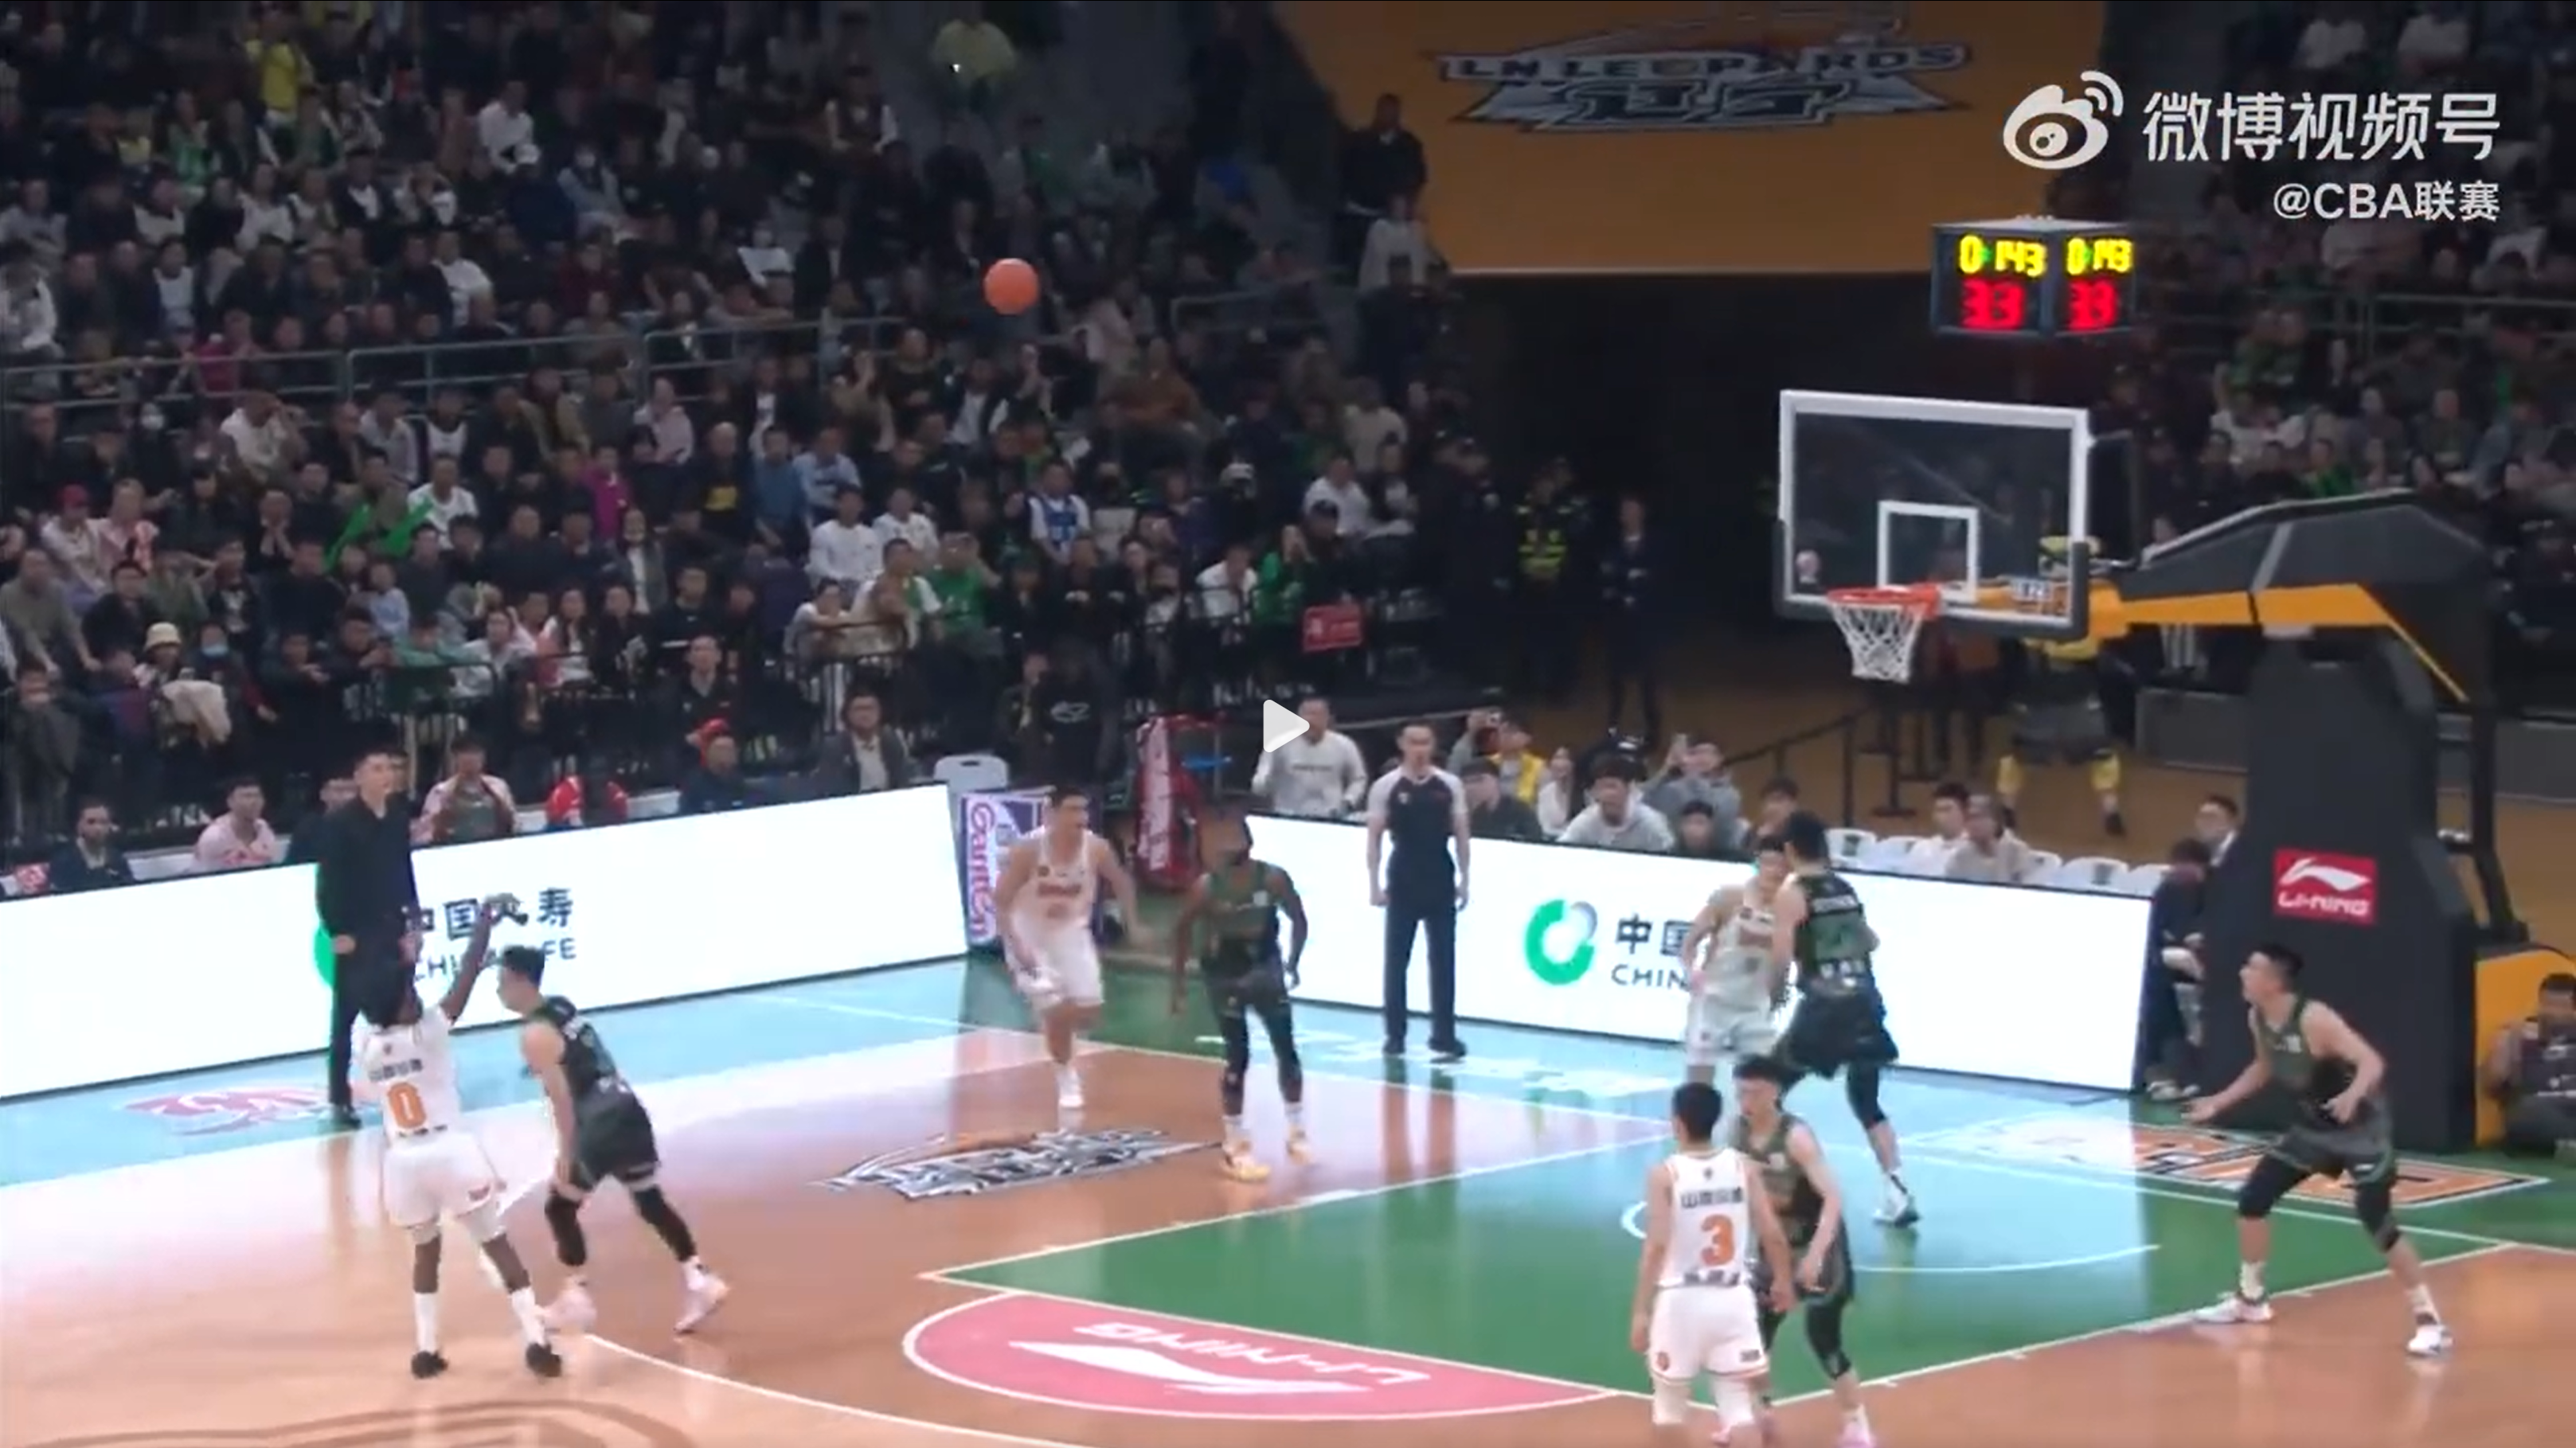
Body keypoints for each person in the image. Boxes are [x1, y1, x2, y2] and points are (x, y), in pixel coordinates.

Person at [2186, 944, 2451, 1356]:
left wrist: (2351, 1097)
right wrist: (2218, 1102)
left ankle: (2430, 1322)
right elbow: (2264, 1067)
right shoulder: (2258, 1017)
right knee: (2253, 1200)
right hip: (2312, 1130)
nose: (2241, 973)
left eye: (2250, 968)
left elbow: (2372, 1062)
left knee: (2377, 1221)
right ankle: (2251, 1300)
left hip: (2362, 1131)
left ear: (2273, 981)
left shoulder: (2315, 1018)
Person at [348, 895, 561, 1380]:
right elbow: (465, 976)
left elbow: (381, 994)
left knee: (426, 1253)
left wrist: (404, 959)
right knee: (496, 1243)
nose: (416, 994)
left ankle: (426, 1350)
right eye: (409, 992)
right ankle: (537, 1341)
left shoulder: (368, 1045)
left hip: (402, 1161)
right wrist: (484, 922)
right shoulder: (429, 1033)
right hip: (449, 1150)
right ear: (401, 1004)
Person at [497, 939, 730, 1336]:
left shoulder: (534, 1034)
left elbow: (562, 1099)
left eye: (502, 981)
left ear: (520, 980)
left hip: (599, 1122)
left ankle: (577, 1297)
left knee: (559, 1207)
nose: (499, 991)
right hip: (628, 1109)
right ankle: (699, 1279)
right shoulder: (562, 1007)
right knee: (649, 1199)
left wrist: (566, 1153)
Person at [1769, 810, 1917, 1227]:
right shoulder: (1844, 888)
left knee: (1767, 1091)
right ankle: (1897, 1190)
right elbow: (1870, 940)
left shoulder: (1794, 892)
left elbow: (1780, 956)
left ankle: (1795, 1188)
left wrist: (1775, 995)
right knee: (1866, 1101)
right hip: (1865, 1002)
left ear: (1790, 849)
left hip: (1826, 1006)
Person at [1630, 1081, 1796, 1447]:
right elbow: (1772, 1233)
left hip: (1681, 1301)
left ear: (1677, 1123)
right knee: (1738, 1408)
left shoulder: (1664, 1175)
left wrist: (1641, 1310)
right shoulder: (1743, 1167)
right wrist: (1783, 1280)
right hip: (1733, 1298)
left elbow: (1656, 1246)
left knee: (1669, 1409)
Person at [1730, 1055, 1873, 1448]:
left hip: (1819, 1241)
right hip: (1776, 1243)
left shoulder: (1796, 1136)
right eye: (1740, 1092)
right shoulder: (1737, 1133)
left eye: (1754, 1093)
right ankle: (1758, 1416)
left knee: (1823, 1337)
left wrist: (1815, 1256)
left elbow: (1833, 1197)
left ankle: (1856, 1423)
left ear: (1774, 1092)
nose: (1746, 1101)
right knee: (1753, 1336)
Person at [1167, 809, 1312, 1182]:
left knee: (1286, 1046)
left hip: (1265, 966)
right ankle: (1235, 1143)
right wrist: (1179, 985)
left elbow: (1299, 918)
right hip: (1225, 972)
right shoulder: (1206, 887)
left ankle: (1297, 1130)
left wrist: (1293, 961)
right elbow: (1182, 931)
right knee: (1238, 1055)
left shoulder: (1273, 878)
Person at [995, 786, 1145, 1112]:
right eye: (1072, 810)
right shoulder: (1029, 850)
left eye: (1084, 810)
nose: (1081, 818)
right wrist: (1016, 944)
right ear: (1052, 814)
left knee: (1089, 1011)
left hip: (1070, 933)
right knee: (1058, 1012)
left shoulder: (1096, 849)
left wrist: (1133, 924)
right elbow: (1001, 902)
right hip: (1029, 934)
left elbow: (1121, 882)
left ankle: (1051, 1020)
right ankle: (1066, 1075)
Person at [315, 747, 421, 1130]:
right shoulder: (341, 823)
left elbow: (403, 867)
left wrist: (413, 921)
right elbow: (329, 881)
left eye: (390, 769)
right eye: (376, 769)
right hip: (356, 929)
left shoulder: (396, 815)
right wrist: (337, 930)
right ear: (359, 777)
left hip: (391, 921)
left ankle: (406, 1085)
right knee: (345, 1015)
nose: (386, 775)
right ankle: (340, 1098)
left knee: (402, 1010)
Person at [1365, 721, 1472, 1061]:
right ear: (1402, 744)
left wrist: (1465, 879)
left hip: (1439, 874)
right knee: (1397, 961)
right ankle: (1395, 1034)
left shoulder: (1449, 784)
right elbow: (1375, 838)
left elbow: (1462, 833)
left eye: (1425, 742)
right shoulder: (1387, 786)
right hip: (1404, 875)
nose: (1420, 749)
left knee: (1444, 961)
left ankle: (1444, 1034)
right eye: (1413, 742)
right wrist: (1374, 883)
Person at [1676, 836, 1788, 1090]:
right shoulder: (1729, 898)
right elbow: (1689, 944)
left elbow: (1786, 959)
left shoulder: (1789, 910)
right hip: (1714, 1001)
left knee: (1760, 1084)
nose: (1775, 871)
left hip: (1754, 1007)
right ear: (1758, 863)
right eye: (1769, 863)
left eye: (1782, 866)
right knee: (1699, 1083)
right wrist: (1691, 972)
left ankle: (1749, 1128)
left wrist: (1779, 993)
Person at [2483, 972, 2576, 1160]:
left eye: (2561, 1006)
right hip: (2541, 1108)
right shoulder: (2519, 1034)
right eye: (2546, 1004)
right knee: (2526, 1111)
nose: (2552, 1012)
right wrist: (2504, 1047)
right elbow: (2491, 1087)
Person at [1250, 697, 1368, 818]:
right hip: (1288, 815)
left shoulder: (1345, 745)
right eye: (1306, 715)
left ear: (1327, 719)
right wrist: (1264, 783)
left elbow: (1358, 779)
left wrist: (1348, 802)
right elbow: (1260, 780)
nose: (1310, 720)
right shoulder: (1278, 744)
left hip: (1331, 816)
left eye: (1316, 715)